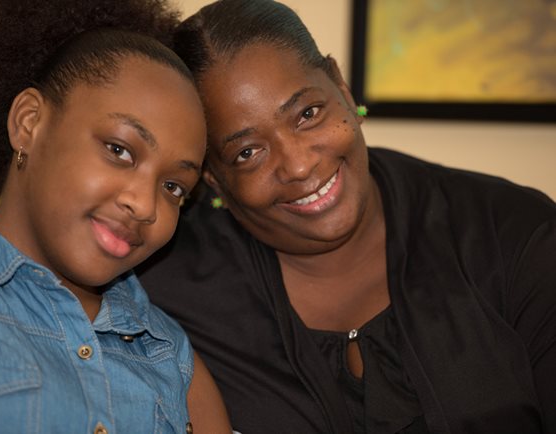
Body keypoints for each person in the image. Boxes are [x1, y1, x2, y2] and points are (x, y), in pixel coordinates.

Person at [137, 0, 556, 433]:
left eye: (308, 114)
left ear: (341, 86)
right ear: (214, 177)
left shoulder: (513, 235)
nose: (298, 165)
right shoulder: (166, 290)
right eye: (247, 152)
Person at [0, 0, 233, 432]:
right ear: (29, 123)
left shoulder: (172, 356)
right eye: (119, 150)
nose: (145, 205)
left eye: (173, 187)